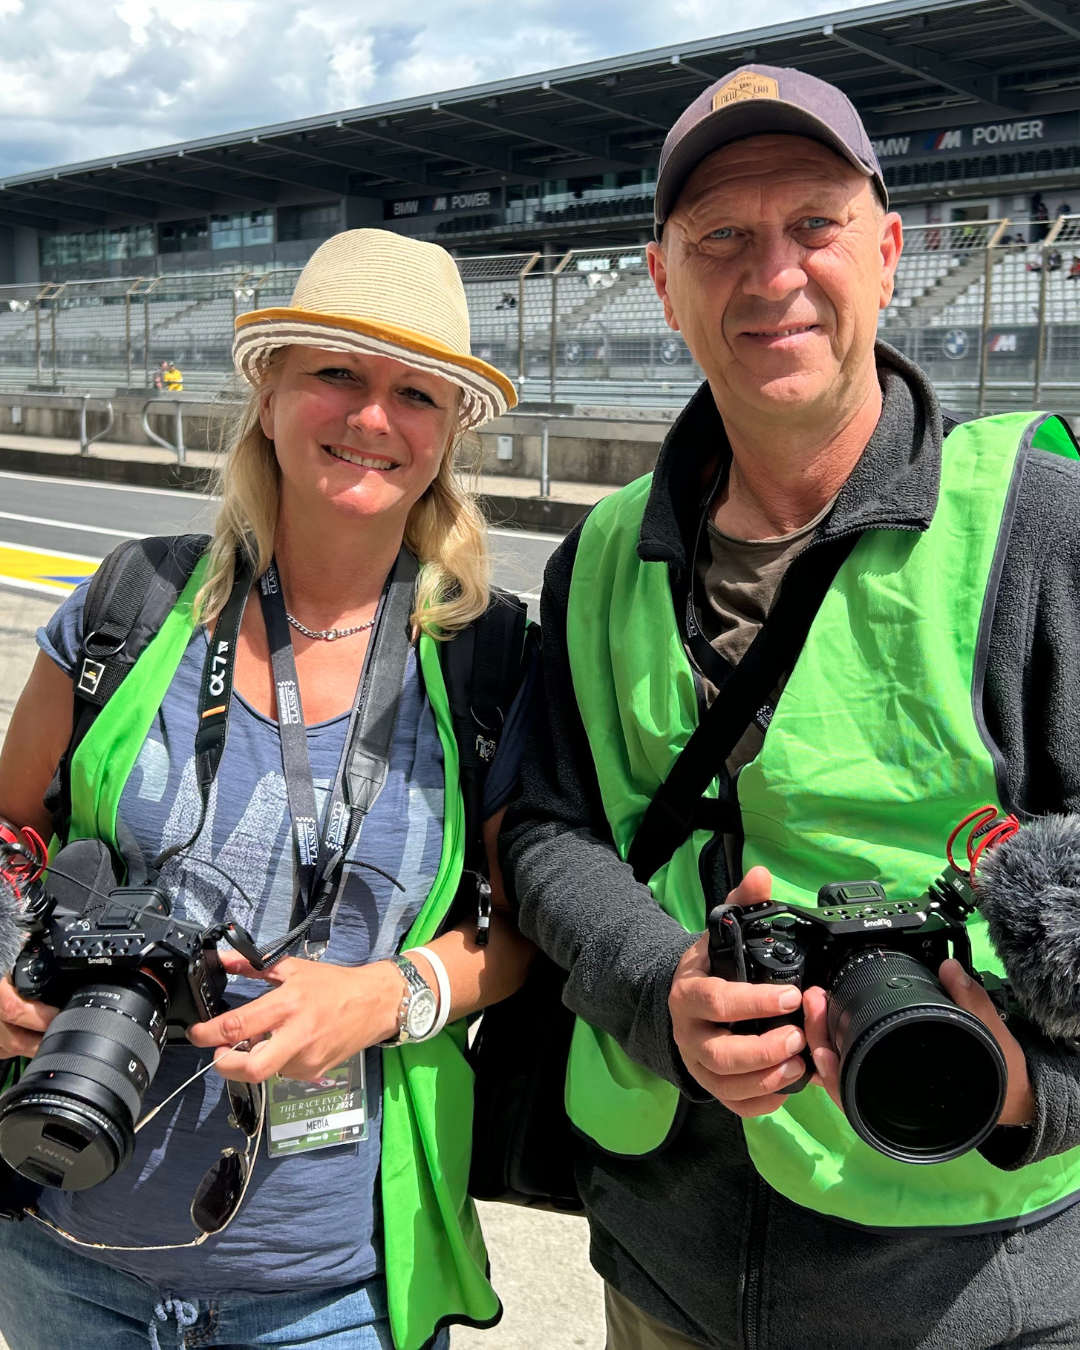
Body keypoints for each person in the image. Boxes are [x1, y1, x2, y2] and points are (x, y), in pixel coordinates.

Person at [502, 63, 1080, 1350]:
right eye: (721, 236)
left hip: (969, 1289)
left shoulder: (1039, 525)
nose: (772, 275)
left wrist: (1035, 1088)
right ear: (663, 282)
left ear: (888, 251)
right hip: (666, 1268)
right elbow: (544, 828)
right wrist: (660, 988)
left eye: (814, 223)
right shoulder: (599, 556)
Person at [0, 228, 534, 1350]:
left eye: (416, 392)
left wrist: (387, 996)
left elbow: (520, 926)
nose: (372, 416)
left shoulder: (490, 658)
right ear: (270, 391)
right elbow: (9, 831)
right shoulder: (130, 601)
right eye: (335, 372)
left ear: (450, 430)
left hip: (333, 1292)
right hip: (61, 1247)